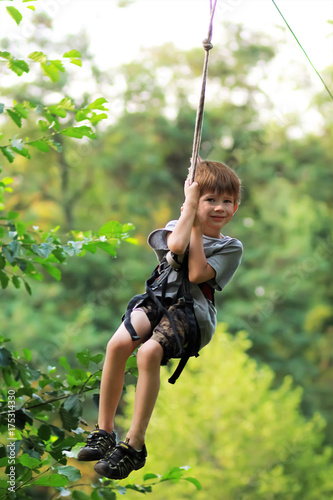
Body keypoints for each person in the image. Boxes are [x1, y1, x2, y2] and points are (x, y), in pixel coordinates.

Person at [77, 160, 243, 480]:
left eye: (226, 201)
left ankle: (135, 443)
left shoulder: (230, 247)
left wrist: (195, 222)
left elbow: (196, 273)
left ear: (235, 207)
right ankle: (105, 432)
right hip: (158, 301)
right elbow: (176, 246)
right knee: (118, 344)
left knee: (149, 352)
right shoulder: (175, 224)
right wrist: (189, 212)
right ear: (195, 201)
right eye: (210, 199)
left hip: (192, 314)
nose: (219, 207)